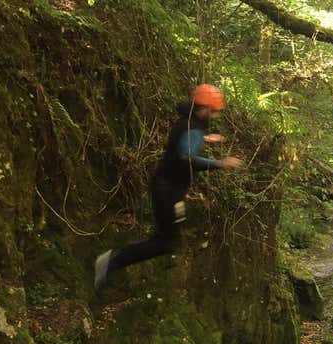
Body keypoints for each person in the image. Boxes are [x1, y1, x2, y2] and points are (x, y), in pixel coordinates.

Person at [94, 84, 244, 290]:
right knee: (164, 242)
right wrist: (220, 163)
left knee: (167, 239)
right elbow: (187, 158)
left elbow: (184, 144)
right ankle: (111, 262)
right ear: (206, 109)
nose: (216, 116)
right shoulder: (193, 128)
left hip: (169, 188)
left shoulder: (189, 122)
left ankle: (112, 263)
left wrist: (206, 139)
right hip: (167, 190)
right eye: (215, 112)